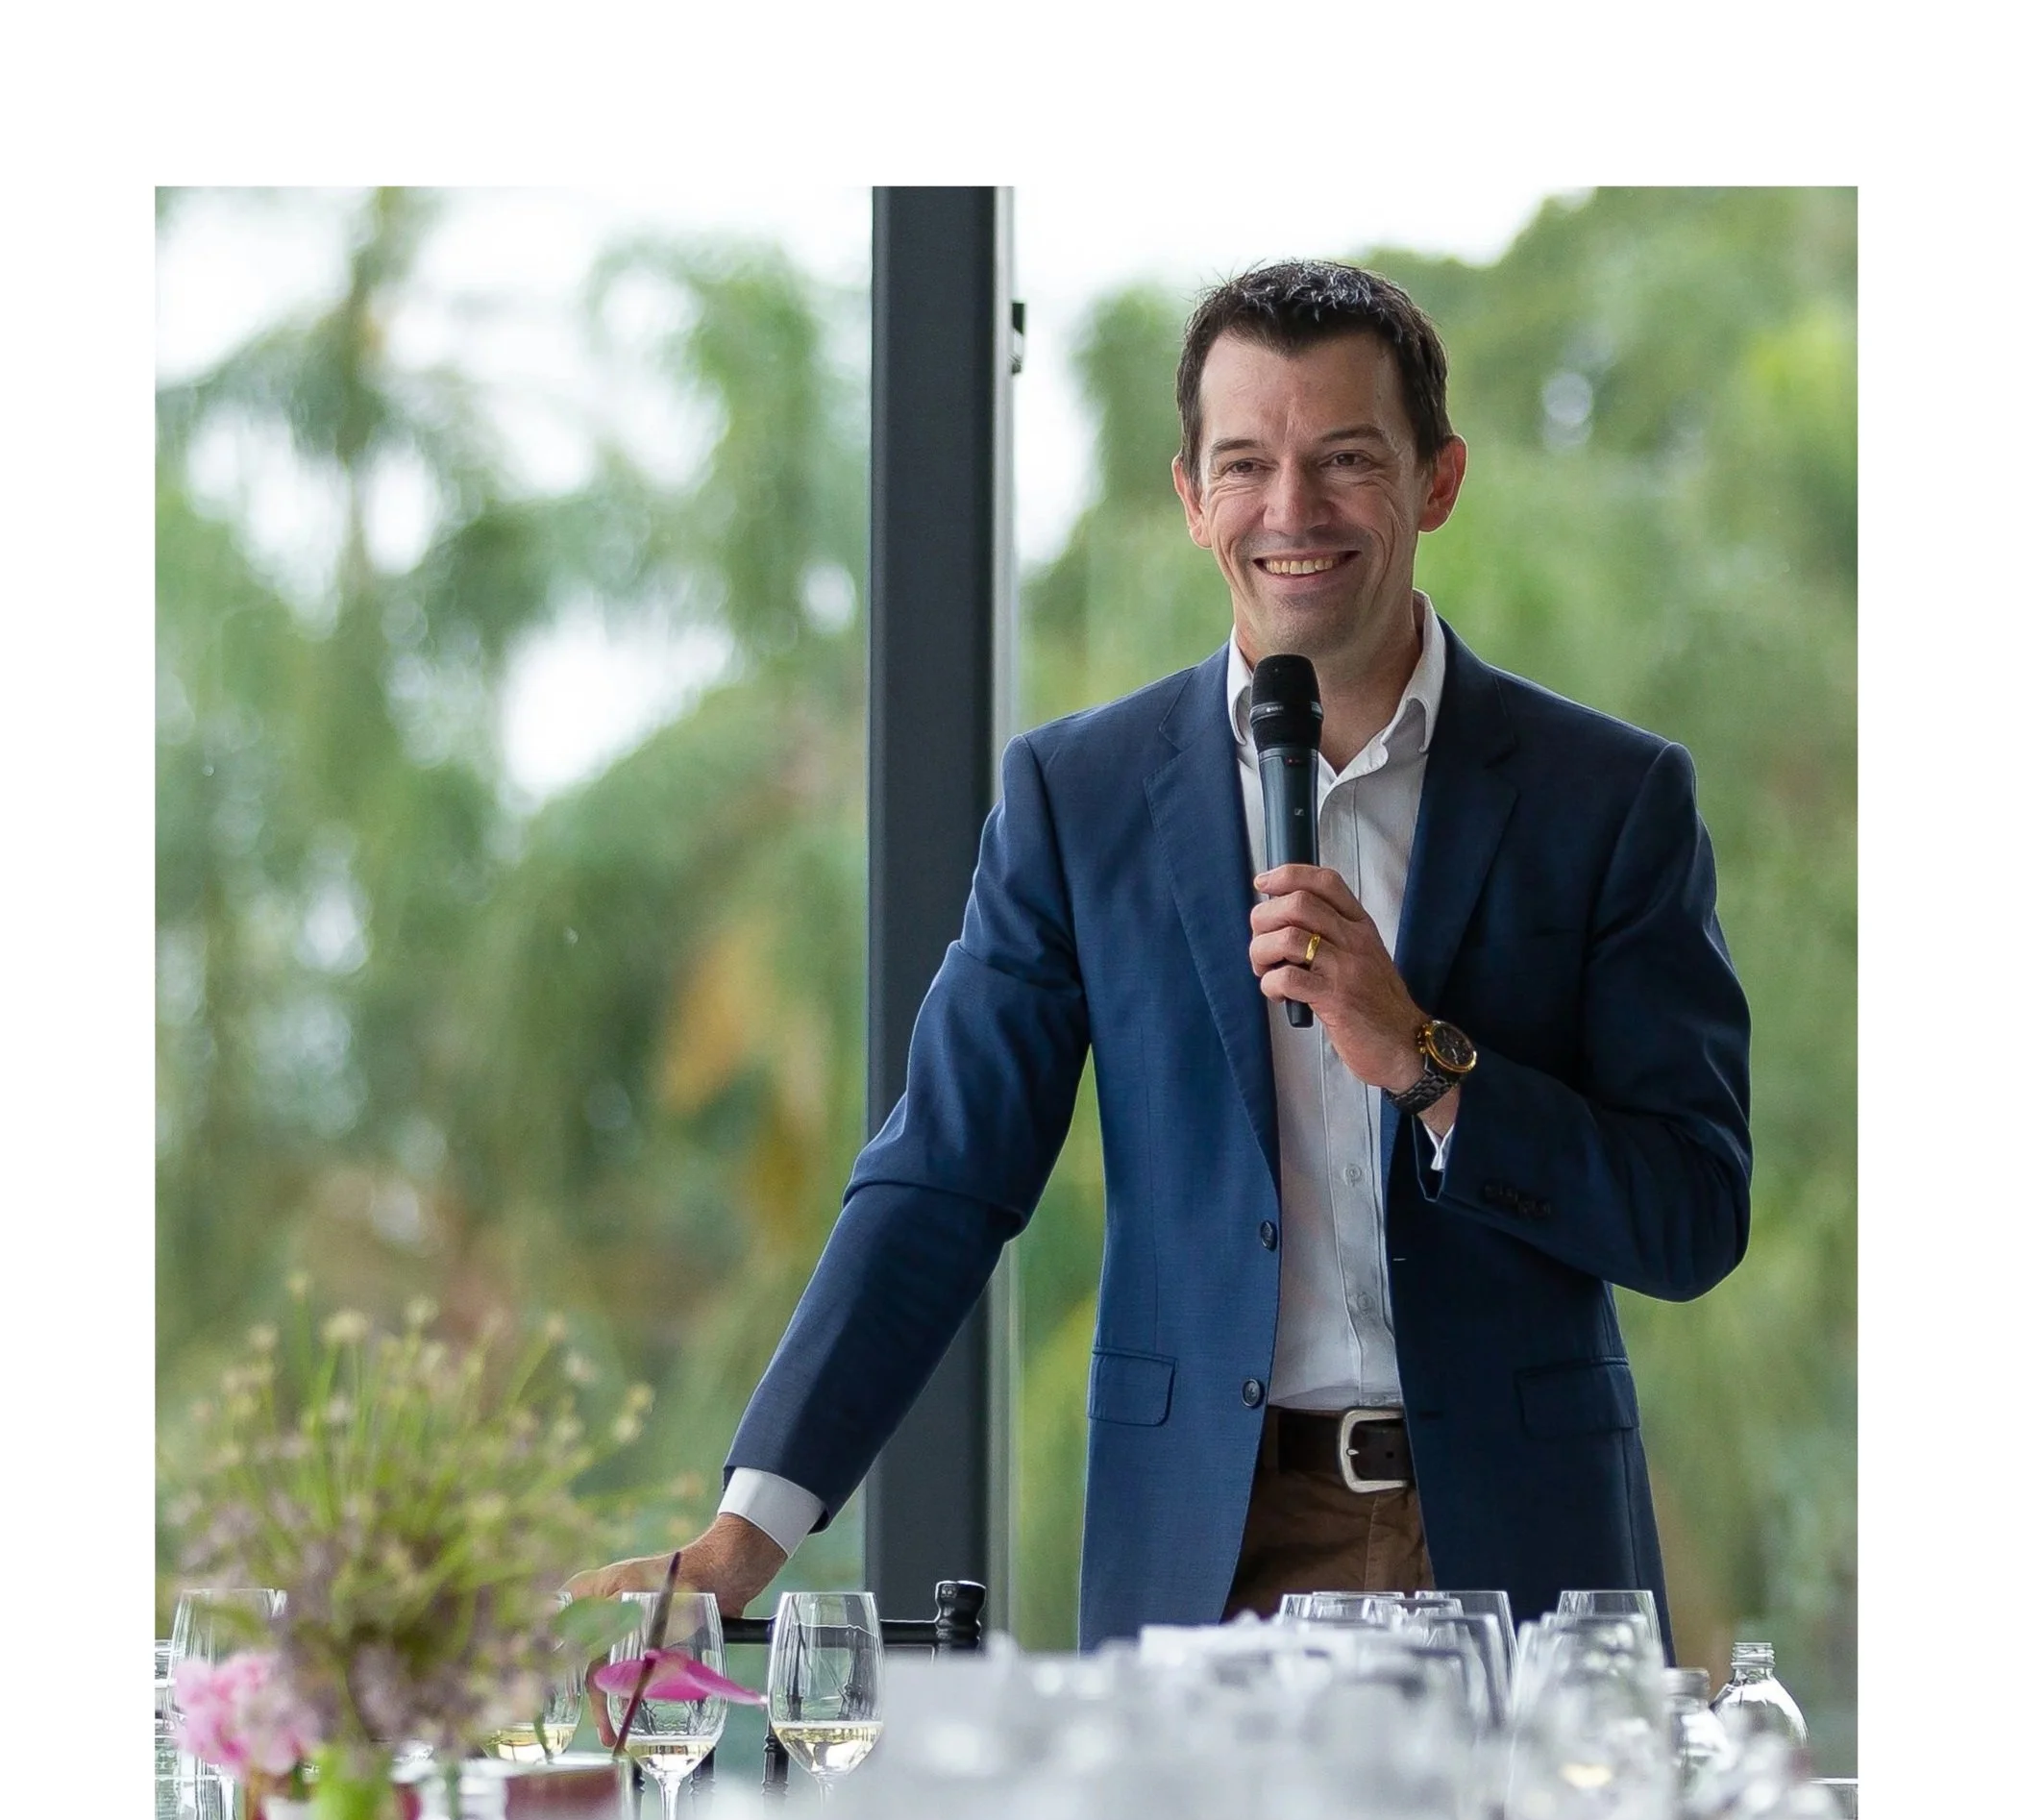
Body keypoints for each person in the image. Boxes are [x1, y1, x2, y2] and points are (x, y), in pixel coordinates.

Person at [568, 261, 1751, 1657]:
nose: (1291, 510)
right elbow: (943, 1173)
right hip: (1204, 1549)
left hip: (1519, 1548)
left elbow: (1689, 1213)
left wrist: (1431, 1062)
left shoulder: (1606, 797)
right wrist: (743, 1532)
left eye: (1346, 460)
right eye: (1245, 463)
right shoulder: (1079, 796)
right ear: (1189, 496)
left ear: (1436, 481)